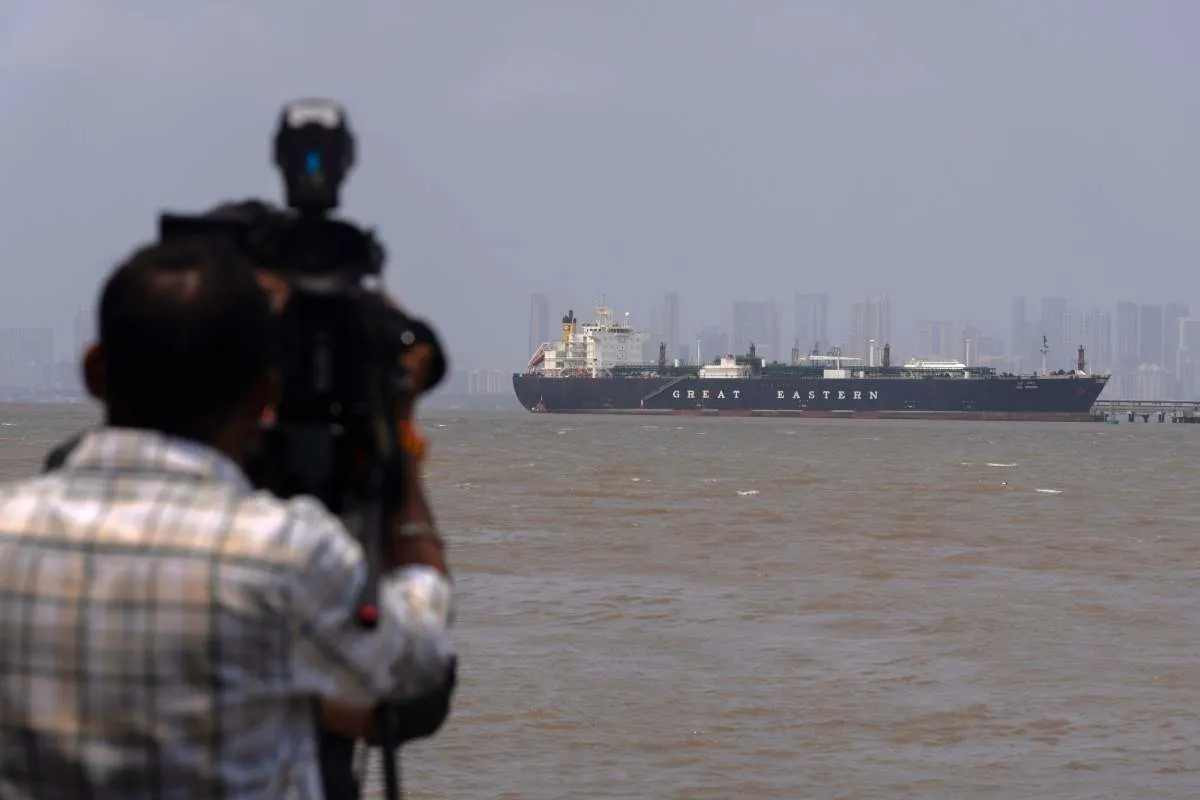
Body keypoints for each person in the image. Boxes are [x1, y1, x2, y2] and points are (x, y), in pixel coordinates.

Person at [0, 234, 455, 798]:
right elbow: (415, 673)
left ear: (94, 372)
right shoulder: (285, 552)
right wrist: (398, 447)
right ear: (264, 394)